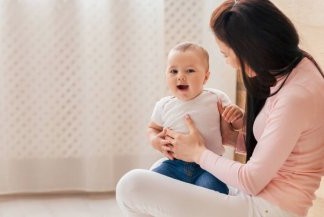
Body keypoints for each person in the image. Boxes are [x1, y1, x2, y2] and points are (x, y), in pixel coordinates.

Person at [116, 0, 324, 217]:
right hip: (256, 195)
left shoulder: (296, 96)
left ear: (251, 49)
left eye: (226, 54)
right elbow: (280, 150)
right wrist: (232, 139)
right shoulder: (293, 67)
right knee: (157, 173)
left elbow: (251, 180)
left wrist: (197, 153)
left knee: (131, 186)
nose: (229, 63)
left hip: (267, 209)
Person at [148, 41, 243, 195]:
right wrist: (156, 141)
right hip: (174, 165)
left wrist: (238, 115)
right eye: (173, 71)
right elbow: (152, 128)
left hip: (209, 165)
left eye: (190, 70)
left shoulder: (216, 98)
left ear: (206, 77)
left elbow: (237, 125)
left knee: (213, 189)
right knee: (153, 184)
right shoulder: (164, 105)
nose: (180, 77)